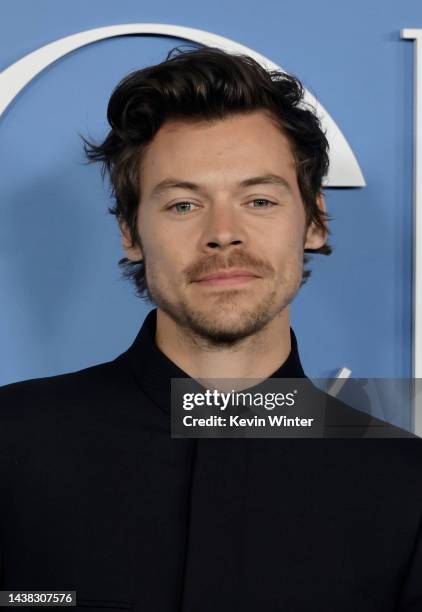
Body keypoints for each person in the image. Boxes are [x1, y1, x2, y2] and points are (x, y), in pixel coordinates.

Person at [0, 46, 421, 612]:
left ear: (315, 221)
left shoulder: (407, 488)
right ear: (130, 232)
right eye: (182, 205)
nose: (224, 233)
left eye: (259, 199)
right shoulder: (11, 443)